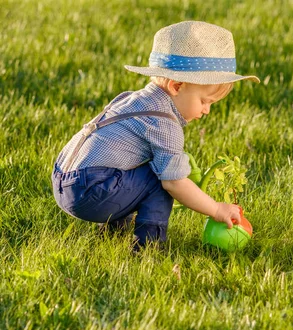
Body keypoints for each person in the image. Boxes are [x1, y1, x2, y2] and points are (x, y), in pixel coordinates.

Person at [51, 21, 260, 250]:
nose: (207, 110)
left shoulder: (132, 99)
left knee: (136, 169)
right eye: (204, 101)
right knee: (162, 179)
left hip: (63, 179)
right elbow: (174, 183)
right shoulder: (164, 123)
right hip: (90, 191)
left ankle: (113, 233)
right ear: (177, 86)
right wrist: (216, 208)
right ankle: (148, 248)